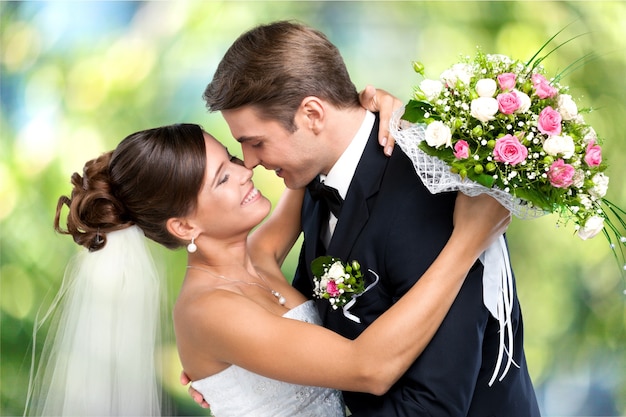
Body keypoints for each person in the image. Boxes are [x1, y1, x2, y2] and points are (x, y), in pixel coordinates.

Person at [32, 122, 511, 417]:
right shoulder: (209, 311)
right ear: (183, 224)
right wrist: (467, 241)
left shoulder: (255, 258)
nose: (247, 172)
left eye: (232, 157)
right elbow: (370, 369)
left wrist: (366, 109)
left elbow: (308, 165)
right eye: (222, 177)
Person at [189, 20, 541, 416]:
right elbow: (312, 328)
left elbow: (432, 407)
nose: (250, 163)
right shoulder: (313, 179)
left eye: (255, 142)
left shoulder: (428, 191)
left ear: (311, 114)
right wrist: (240, 379)